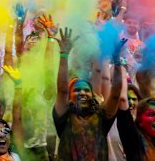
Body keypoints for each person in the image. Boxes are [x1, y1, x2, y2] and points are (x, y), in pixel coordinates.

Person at [52, 28, 126, 160]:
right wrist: (64, 55)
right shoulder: (65, 115)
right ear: (70, 96)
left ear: (93, 95)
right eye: (76, 90)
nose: (82, 93)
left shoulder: (101, 117)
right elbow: (62, 90)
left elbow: (115, 95)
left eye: (86, 90)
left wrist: (117, 61)